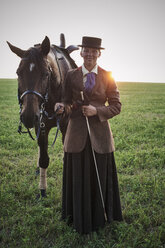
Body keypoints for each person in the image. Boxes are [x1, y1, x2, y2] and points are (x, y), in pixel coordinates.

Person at [55, 36, 123, 234]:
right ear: (81, 52)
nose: (90, 54)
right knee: (77, 177)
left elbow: (117, 106)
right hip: (76, 135)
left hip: (100, 137)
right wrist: (61, 107)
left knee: (98, 177)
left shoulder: (108, 75)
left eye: (94, 51)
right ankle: (76, 216)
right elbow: (66, 102)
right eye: (87, 50)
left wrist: (97, 111)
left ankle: (98, 217)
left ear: (99, 54)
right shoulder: (70, 75)